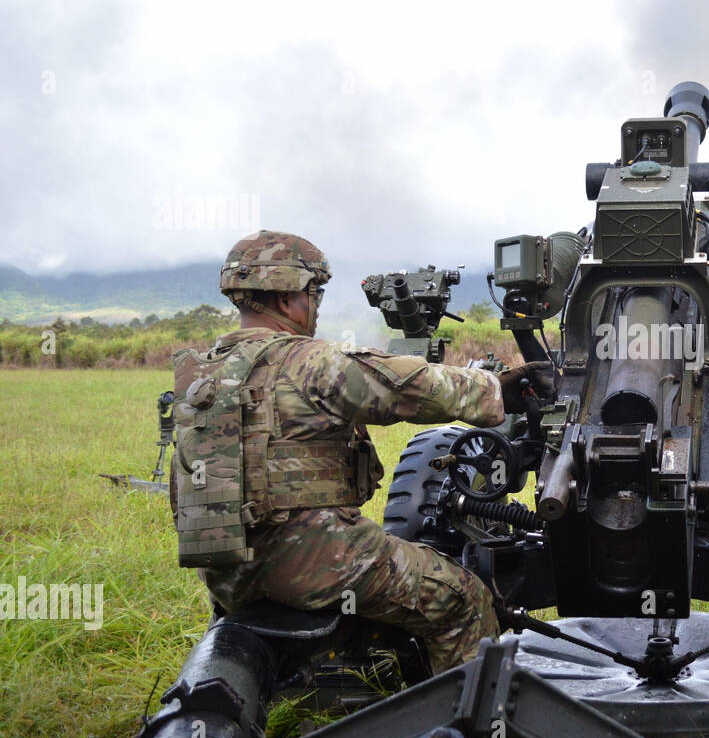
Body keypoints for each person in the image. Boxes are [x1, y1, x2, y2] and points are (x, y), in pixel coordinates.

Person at [170, 230, 552, 674]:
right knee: (462, 597)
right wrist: (497, 385)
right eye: (315, 293)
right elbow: (412, 389)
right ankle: (478, 734)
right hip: (309, 562)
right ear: (287, 299)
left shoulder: (201, 374)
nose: (316, 306)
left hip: (228, 574)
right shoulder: (310, 362)